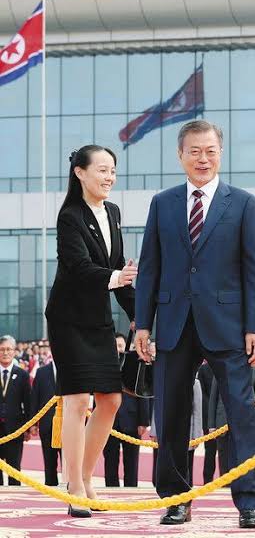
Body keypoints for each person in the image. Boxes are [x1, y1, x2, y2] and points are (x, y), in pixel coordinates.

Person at [134, 120, 255, 529]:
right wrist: (143, 324)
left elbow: (254, 272)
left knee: (241, 415)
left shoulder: (242, 203)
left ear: (220, 153)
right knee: (171, 415)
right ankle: (176, 499)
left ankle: (250, 502)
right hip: (173, 324)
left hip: (228, 325)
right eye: (194, 151)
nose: (203, 159)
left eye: (210, 151)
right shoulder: (163, 203)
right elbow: (150, 267)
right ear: (180, 156)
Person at [45, 145, 136, 517]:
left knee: (111, 400)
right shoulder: (69, 217)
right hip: (68, 320)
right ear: (80, 173)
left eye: (112, 170)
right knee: (78, 400)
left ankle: (85, 475)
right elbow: (81, 268)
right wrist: (118, 277)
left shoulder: (112, 212)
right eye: (102, 169)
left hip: (99, 321)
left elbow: (118, 269)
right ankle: (74, 487)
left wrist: (139, 317)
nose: (109, 177)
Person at [103, 333, 149, 487]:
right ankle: (111, 489)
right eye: (115, 346)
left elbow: (142, 393)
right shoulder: (104, 366)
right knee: (110, 460)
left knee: (131, 462)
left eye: (120, 346)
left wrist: (143, 421)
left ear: (126, 347)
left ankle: (131, 488)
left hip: (132, 421)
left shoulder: (133, 364)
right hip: (109, 423)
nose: (118, 349)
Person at [0, 335, 31, 485]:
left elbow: (28, 403)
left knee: (14, 469)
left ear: (14, 351)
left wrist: (28, 428)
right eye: (2, 349)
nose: (5, 353)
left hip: (15, 430)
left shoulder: (22, 375)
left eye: (9, 349)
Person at [30, 360, 61, 486]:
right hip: (47, 425)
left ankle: (71, 490)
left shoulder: (72, 369)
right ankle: (50, 488)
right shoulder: (41, 372)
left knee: (70, 463)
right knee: (49, 463)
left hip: (69, 424)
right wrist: (33, 424)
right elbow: (34, 398)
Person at [196, 361, 217, 484]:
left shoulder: (224, 365)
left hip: (224, 415)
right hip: (209, 418)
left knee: (226, 453)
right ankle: (208, 481)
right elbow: (202, 394)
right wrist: (211, 414)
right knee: (210, 451)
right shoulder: (203, 369)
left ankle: (227, 482)